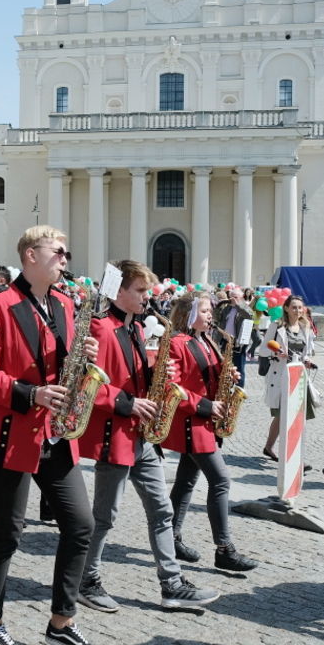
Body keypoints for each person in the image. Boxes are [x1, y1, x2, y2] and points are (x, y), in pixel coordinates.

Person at [0, 225, 104, 645]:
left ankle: (61, 622)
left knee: (81, 524)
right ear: (29, 255)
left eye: (66, 251)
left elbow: (66, 364)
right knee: (7, 534)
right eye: (57, 251)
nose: (65, 257)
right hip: (12, 433)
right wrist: (30, 393)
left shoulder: (65, 304)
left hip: (56, 433)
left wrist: (86, 360)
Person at [76, 260, 220, 613]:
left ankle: (171, 584)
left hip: (142, 437)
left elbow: (137, 375)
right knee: (104, 516)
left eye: (147, 291)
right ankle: (85, 579)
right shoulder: (101, 327)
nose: (147, 297)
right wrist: (128, 403)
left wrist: (158, 370)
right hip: (115, 435)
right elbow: (87, 384)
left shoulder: (136, 328)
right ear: (120, 291)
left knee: (162, 509)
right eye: (140, 291)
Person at [164, 291, 257, 572]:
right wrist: (205, 405)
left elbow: (207, 376)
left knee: (185, 482)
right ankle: (224, 548)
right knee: (220, 481)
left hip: (205, 422)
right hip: (193, 422)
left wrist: (228, 376)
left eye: (209, 311)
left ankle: (171, 536)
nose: (210, 316)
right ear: (189, 314)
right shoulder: (178, 343)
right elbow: (173, 388)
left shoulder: (208, 342)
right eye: (204, 311)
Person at [256, 295, 316, 461]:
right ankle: (292, 456)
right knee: (284, 414)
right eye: (294, 307)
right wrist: (276, 352)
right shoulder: (277, 327)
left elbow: (307, 352)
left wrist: (308, 361)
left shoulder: (306, 327)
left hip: (299, 375)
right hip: (282, 375)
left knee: (290, 415)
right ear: (286, 309)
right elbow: (263, 350)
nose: (297, 310)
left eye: (300, 307)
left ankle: (269, 447)